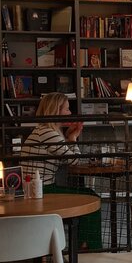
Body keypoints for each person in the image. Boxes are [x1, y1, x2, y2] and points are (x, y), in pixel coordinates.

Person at [21, 92, 102, 250]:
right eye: (67, 109)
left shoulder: (43, 131)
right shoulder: (48, 133)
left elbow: (66, 156)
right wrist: (72, 138)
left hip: (34, 190)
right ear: (56, 110)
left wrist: (69, 138)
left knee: (88, 195)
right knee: (91, 198)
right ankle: (88, 250)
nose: (70, 113)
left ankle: (83, 245)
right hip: (42, 191)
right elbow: (74, 160)